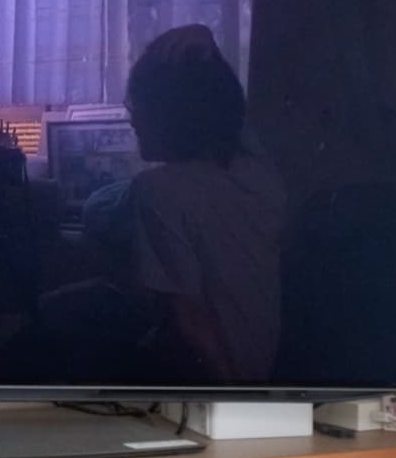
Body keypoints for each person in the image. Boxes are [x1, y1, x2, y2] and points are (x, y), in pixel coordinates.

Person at [119, 25, 286, 380]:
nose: (132, 119)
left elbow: (192, 322)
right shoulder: (257, 172)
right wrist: (205, 41)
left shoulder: (158, 191)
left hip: (219, 374)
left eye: (142, 105)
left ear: (169, 113)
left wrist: (237, 397)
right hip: (264, 360)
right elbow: (227, 110)